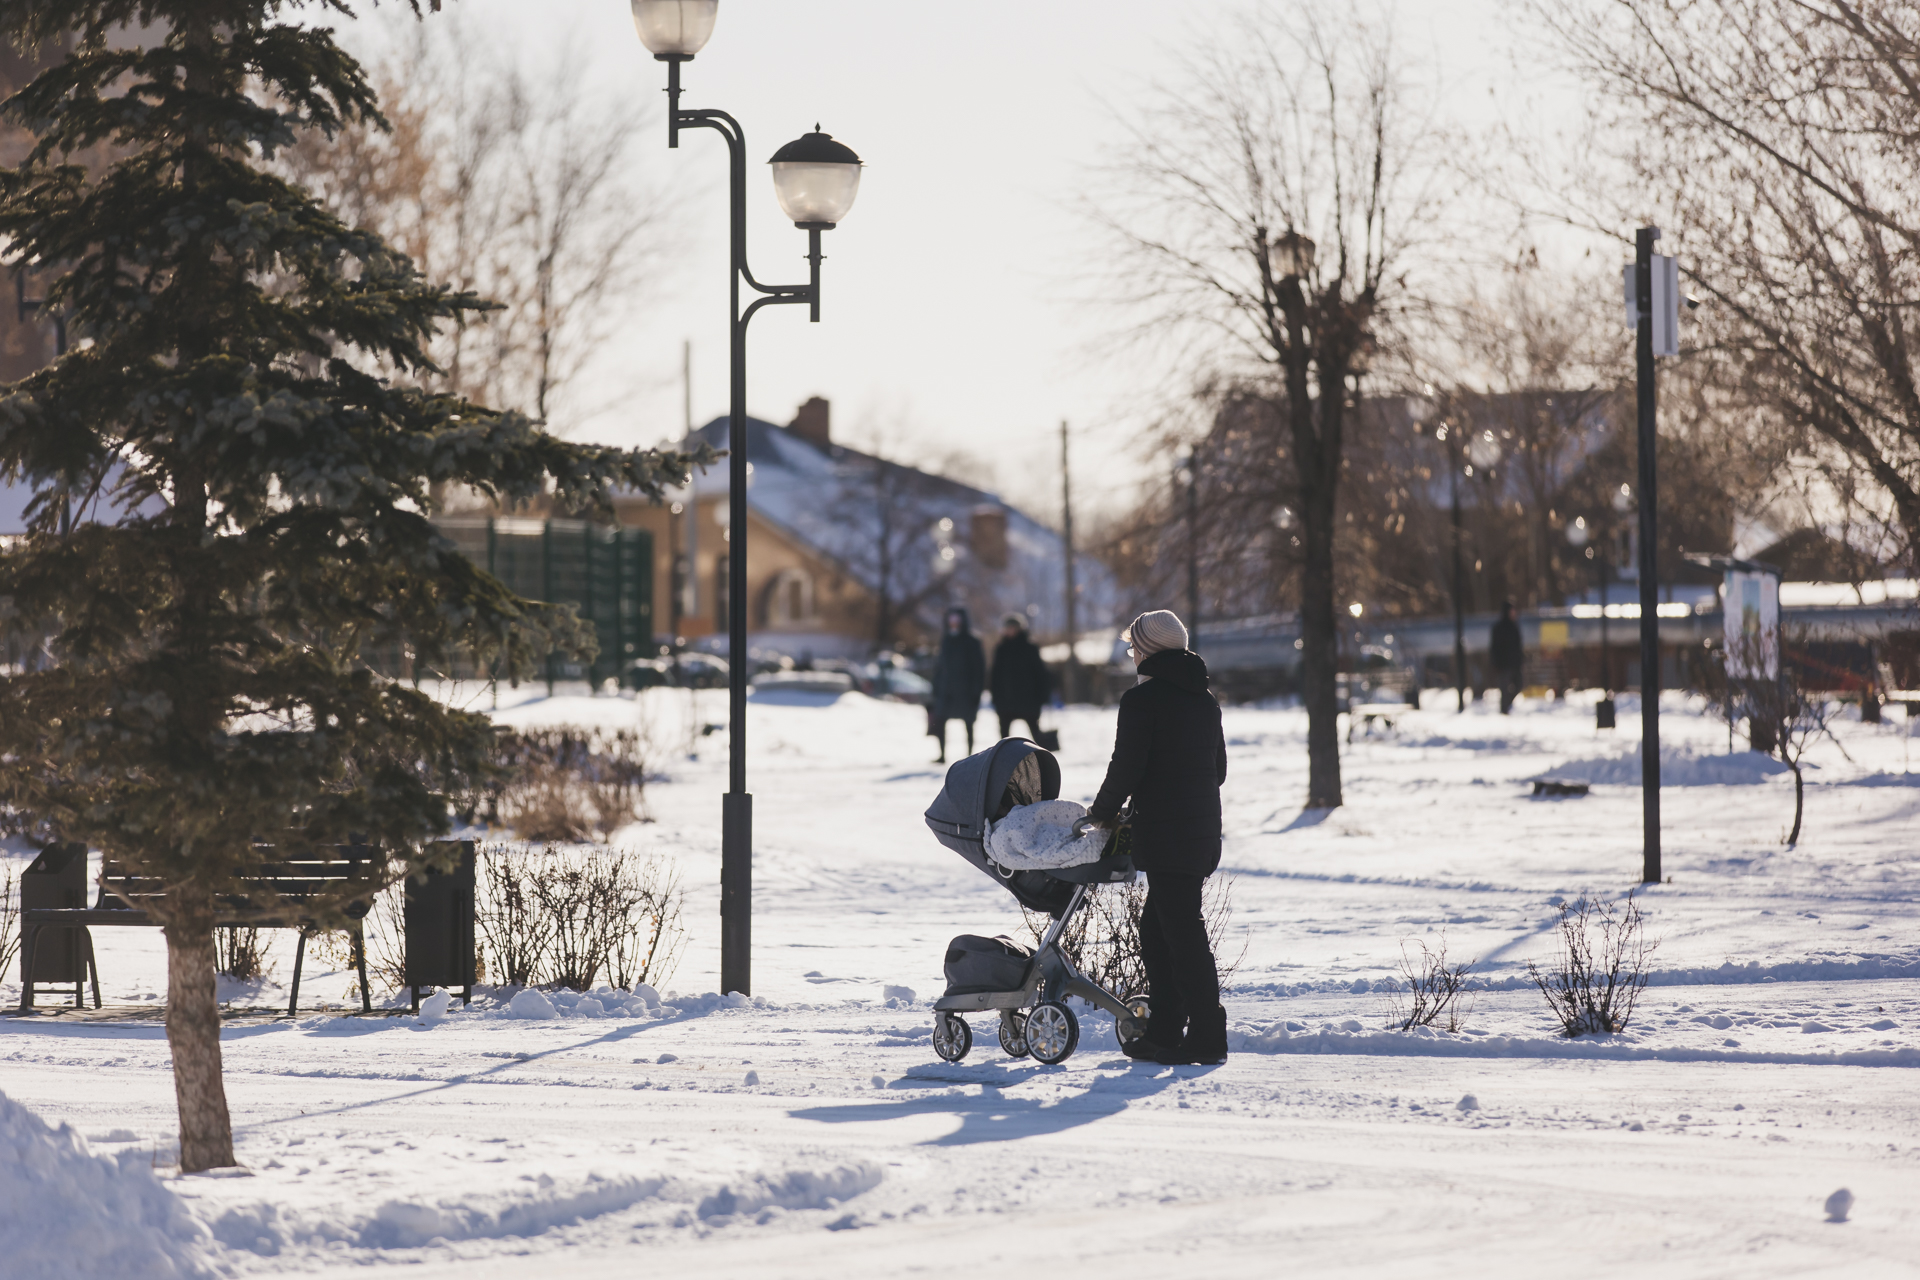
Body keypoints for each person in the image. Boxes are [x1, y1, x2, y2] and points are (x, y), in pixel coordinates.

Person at [1074, 609, 1229, 1066]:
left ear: (1148, 650)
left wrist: (1100, 814)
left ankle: (1206, 1037)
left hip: (1168, 834)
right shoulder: (1205, 701)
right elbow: (1217, 772)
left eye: (1134, 646)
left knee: (1181, 934)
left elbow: (1126, 767)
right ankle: (1165, 1029)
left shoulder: (1142, 702)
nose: (1131, 654)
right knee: (1158, 930)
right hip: (1199, 833)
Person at [929, 607, 985, 764]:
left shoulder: (973, 641)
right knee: (940, 723)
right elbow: (939, 667)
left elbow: (978, 669)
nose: (953, 622)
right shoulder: (945, 640)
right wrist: (936, 687)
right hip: (946, 692)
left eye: (957, 619)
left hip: (965, 692)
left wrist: (976, 692)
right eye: (951, 619)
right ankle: (942, 755)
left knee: (968, 724)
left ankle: (970, 756)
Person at [989, 613, 1051, 741]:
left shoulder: (1030, 648)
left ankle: (1042, 760)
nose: (1011, 630)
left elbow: (1040, 673)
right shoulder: (1001, 649)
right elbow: (995, 675)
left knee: (1037, 736)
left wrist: (1042, 696)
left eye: (1014, 627)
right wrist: (995, 697)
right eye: (1008, 627)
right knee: (1004, 740)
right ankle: (1004, 761)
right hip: (1006, 701)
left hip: (1029, 700)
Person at [1490, 601, 1524, 715]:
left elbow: (1518, 646)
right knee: (1504, 688)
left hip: (1515, 663)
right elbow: (1494, 647)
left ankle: (1506, 705)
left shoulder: (1515, 626)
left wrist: (1520, 660)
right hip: (1503, 664)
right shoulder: (1498, 628)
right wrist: (1495, 662)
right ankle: (1504, 709)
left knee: (1519, 684)